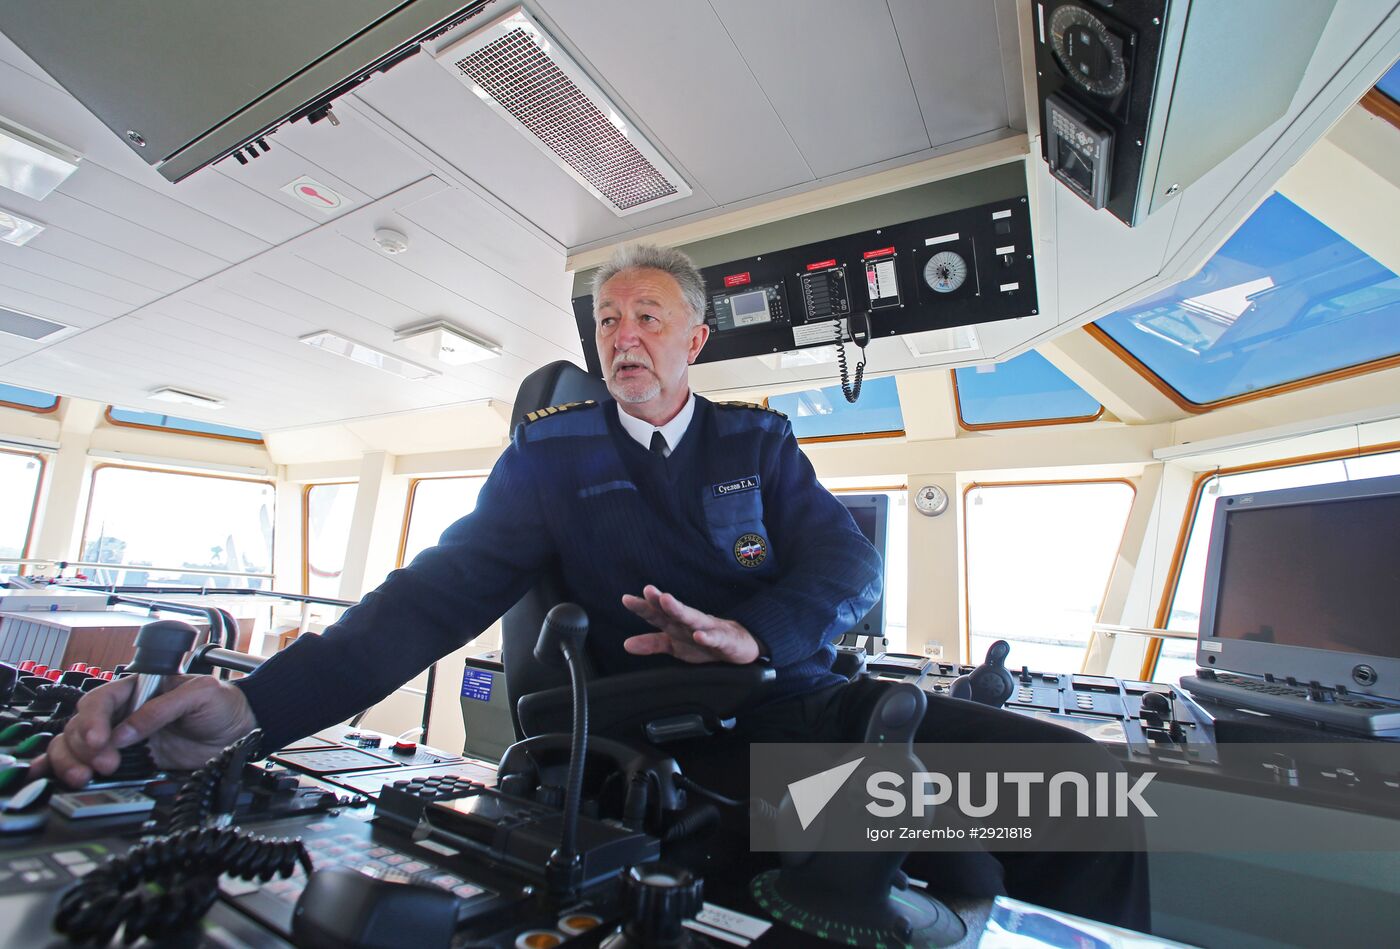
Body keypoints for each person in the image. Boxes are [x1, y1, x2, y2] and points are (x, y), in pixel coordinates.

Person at [35, 243, 1147, 929]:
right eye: (607, 319)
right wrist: (254, 709)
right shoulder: (550, 457)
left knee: (1074, 786)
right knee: (958, 850)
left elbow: (844, 563)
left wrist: (752, 635)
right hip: (677, 734)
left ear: (694, 338)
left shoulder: (755, 442)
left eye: (646, 316)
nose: (623, 335)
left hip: (795, 696)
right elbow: (431, 596)